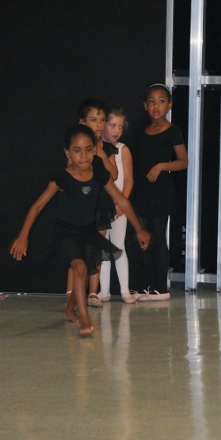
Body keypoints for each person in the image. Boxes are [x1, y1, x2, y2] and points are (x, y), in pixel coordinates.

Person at [10, 124, 150, 336]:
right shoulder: (62, 177)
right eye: (77, 150)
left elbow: (121, 200)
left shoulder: (99, 175)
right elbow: (38, 206)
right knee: (80, 268)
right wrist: (23, 236)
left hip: (88, 233)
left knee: (83, 272)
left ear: (94, 150)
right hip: (66, 234)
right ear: (67, 153)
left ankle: (69, 309)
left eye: (88, 149)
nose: (83, 155)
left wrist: (139, 229)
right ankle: (84, 317)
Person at [133, 83, 188, 301]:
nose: (156, 106)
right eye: (152, 101)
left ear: (170, 105)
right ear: (145, 105)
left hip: (161, 191)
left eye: (162, 101)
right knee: (142, 237)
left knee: (157, 237)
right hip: (142, 190)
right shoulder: (142, 131)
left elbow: (183, 161)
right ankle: (145, 286)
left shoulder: (173, 131)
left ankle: (161, 288)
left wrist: (161, 166)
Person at [65, 98, 118, 309]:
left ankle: (92, 292)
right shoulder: (77, 147)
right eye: (94, 119)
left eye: (102, 120)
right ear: (82, 122)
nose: (99, 124)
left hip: (101, 204)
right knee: (77, 251)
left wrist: (102, 154)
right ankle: (71, 294)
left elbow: (114, 175)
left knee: (96, 250)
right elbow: (69, 173)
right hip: (81, 205)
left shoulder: (107, 148)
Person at [97, 105, 137, 304]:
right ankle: (103, 291)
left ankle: (124, 290)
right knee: (102, 247)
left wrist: (122, 203)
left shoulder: (123, 150)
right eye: (112, 125)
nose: (116, 130)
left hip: (119, 207)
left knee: (119, 245)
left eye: (120, 126)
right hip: (101, 206)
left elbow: (128, 180)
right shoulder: (96, 149)